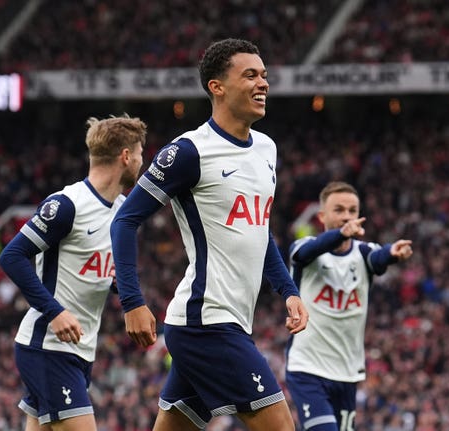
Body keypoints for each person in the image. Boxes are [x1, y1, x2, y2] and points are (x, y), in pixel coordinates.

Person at [110, 38, 309, 431]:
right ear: (216, 86)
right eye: (250, 75)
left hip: (224, 322)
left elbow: (259, 231)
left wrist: (288, 290)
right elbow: (124, 220)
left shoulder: (266, 149)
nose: (263, 83)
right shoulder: (189, 151)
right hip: (207, 324)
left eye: (265, 75)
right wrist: (132, 302)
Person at [0, 114, 147, 431]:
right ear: (125, 156)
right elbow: (12, 256)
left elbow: (93, 270)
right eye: (139, 154)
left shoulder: (123, 210)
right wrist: (54, 312)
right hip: (49, 346)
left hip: (78, 350)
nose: (141, 162)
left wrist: (125, 292)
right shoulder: (67, 205)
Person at [285, 181, 413, 431]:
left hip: (346, 373)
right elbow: (304, 253)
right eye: (339, 210)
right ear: (322, 216)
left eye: (352, 210)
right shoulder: (305, 249)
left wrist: (393, 253)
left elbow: (379, 257)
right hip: (308, 368)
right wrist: (341, 234)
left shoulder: (364, 254)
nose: (346, 216)